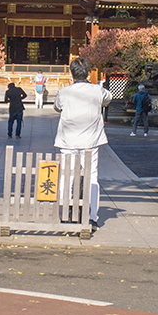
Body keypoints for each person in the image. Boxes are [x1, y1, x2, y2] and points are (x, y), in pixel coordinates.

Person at [53, 57, 111, 227]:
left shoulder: (64, 92)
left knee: (67, 175)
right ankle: (92, 216)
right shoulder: (98, 90)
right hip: (91, 141)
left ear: (71, 73)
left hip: (68, 141)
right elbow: (108, 99)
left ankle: (65, 212)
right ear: (87, 72)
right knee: (92, 176)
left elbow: (57, 107)